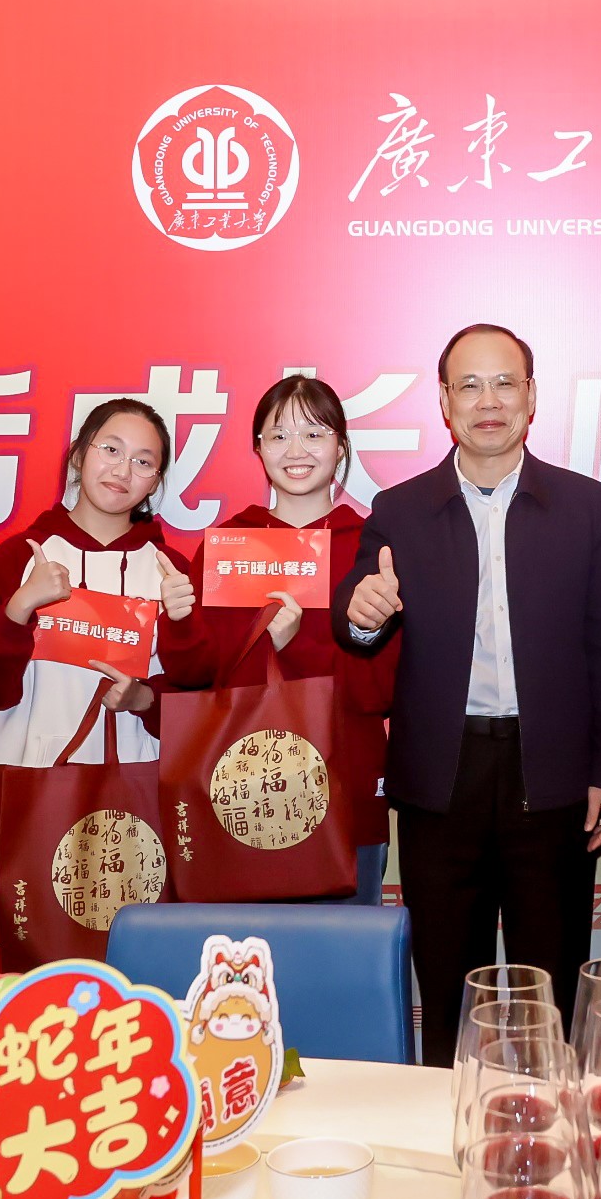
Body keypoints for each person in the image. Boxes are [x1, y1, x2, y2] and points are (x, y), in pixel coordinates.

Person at [337, 324, 601, 1058]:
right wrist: (363, 612)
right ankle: (445, 1118)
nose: (488, 401)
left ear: (531, 397)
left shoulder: (585, 505)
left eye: (505, 383)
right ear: (444, 403)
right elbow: (356, 613)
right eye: (469, 386)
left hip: (553, 775)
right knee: (446, 986)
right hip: (442, 780)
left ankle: (551, 1120)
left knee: (551, 985)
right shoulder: (400, 509)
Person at [0, 396, 207, 854]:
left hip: (139, 806)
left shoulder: (172, 572)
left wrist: (144, 699)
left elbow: (202, 700)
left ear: (155, 481)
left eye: (143, 461)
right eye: (110, 449)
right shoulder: (19, 558)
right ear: (78, 454)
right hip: (29, 798)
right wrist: (20, 607)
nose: (123, 470)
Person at [189, 375, 400, 904]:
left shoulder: (373, 546)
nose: (296, 451)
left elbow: (385, 688)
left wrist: (297, 645)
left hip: (345, 787)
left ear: (341, 446)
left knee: (347, 948)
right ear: (257, 447)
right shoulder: (227, 546)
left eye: (314, 434)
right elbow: (196, 680)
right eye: (279, 435)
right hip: (241, 791)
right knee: (243, 952)